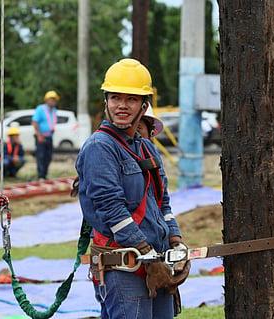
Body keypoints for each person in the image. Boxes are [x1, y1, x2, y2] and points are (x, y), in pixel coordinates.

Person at [76, 58, 190, 319]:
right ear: (106, 101)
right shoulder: (100, 148)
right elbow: (111, 210)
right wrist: (149, 257)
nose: (122, 106)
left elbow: (163, 204)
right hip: (124, 267)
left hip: (157, 262)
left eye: (131, 99)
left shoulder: (146, 148)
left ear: (144, 106)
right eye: (116, 98)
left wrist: (176, 242)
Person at [32, 90, 59, 179]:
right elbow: (35, 122)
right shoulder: (40, 109)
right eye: (51, 99)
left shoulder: (54, 110)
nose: (53, 101)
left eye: (54, 100)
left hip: (49, 136)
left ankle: (45, 175)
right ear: (46, 100)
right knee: (41, 156)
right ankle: (41, 176)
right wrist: (39, 135)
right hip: (41, 136)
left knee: (48, 156)